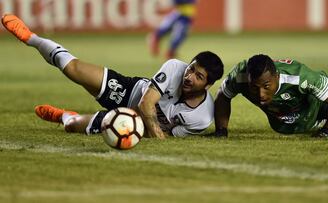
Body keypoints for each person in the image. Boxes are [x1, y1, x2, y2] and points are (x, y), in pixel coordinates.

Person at [2, 14, 224, 139]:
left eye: (198, 76)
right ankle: (31, 37)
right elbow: (146, 103)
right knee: (74, 69)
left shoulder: (202, 119)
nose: (189, 76)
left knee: (72, 126)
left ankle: (64, 116)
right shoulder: (176, 66)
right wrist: (157, 133)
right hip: (129, 91)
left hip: (134, 123)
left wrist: (138, 129)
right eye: (191, 69)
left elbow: (171, 135)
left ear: (208, 85)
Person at [214, 54, 328, 138]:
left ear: (277, 77)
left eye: (266, 86)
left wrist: (327, 131)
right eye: (254, 87)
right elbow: (222, 95)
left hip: (321, 105)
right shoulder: (239, 76)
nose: (261, 95)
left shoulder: (299, 76)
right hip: (288, 120)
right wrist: (221, 130)